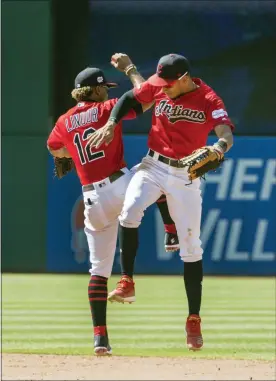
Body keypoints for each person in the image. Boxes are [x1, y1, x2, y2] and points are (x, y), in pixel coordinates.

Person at [87, 53, 234, 351]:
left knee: (191, 247)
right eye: (160, 82)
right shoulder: (158, 86)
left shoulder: (208, 98)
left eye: (168, 84)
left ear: (183, 79)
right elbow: (130, 96)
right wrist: (112, 122)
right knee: (129, 213)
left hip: (186, 176)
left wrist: (218, 148)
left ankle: (194, 318)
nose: (162, 88)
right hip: (153, 166)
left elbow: (225, 132)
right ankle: (127, 280)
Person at [46, 54, 178, 356]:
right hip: (118, 184)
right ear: (93, 90)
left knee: (98, 271)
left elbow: (54, 148)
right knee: (154, 174)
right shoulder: (106, 109)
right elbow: (146, 97)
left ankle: (100, 339)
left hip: (91, 198)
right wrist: (131, 70)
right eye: (104, 87)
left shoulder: (64, 120)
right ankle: (171, 231)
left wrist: (69, 155)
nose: (107, 91)